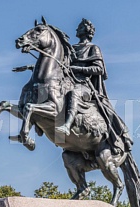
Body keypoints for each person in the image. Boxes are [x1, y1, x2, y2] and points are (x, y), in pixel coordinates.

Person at [55, 18, 132, 153]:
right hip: (68, 82)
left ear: (86, 30)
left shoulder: (93, 48)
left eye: (79, 27)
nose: (76, 30)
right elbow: (59, 67)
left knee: (73, 94)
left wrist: (78, 69)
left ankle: (66, 126)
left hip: (84, 85)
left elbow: (99, 69)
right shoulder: (72, 49)